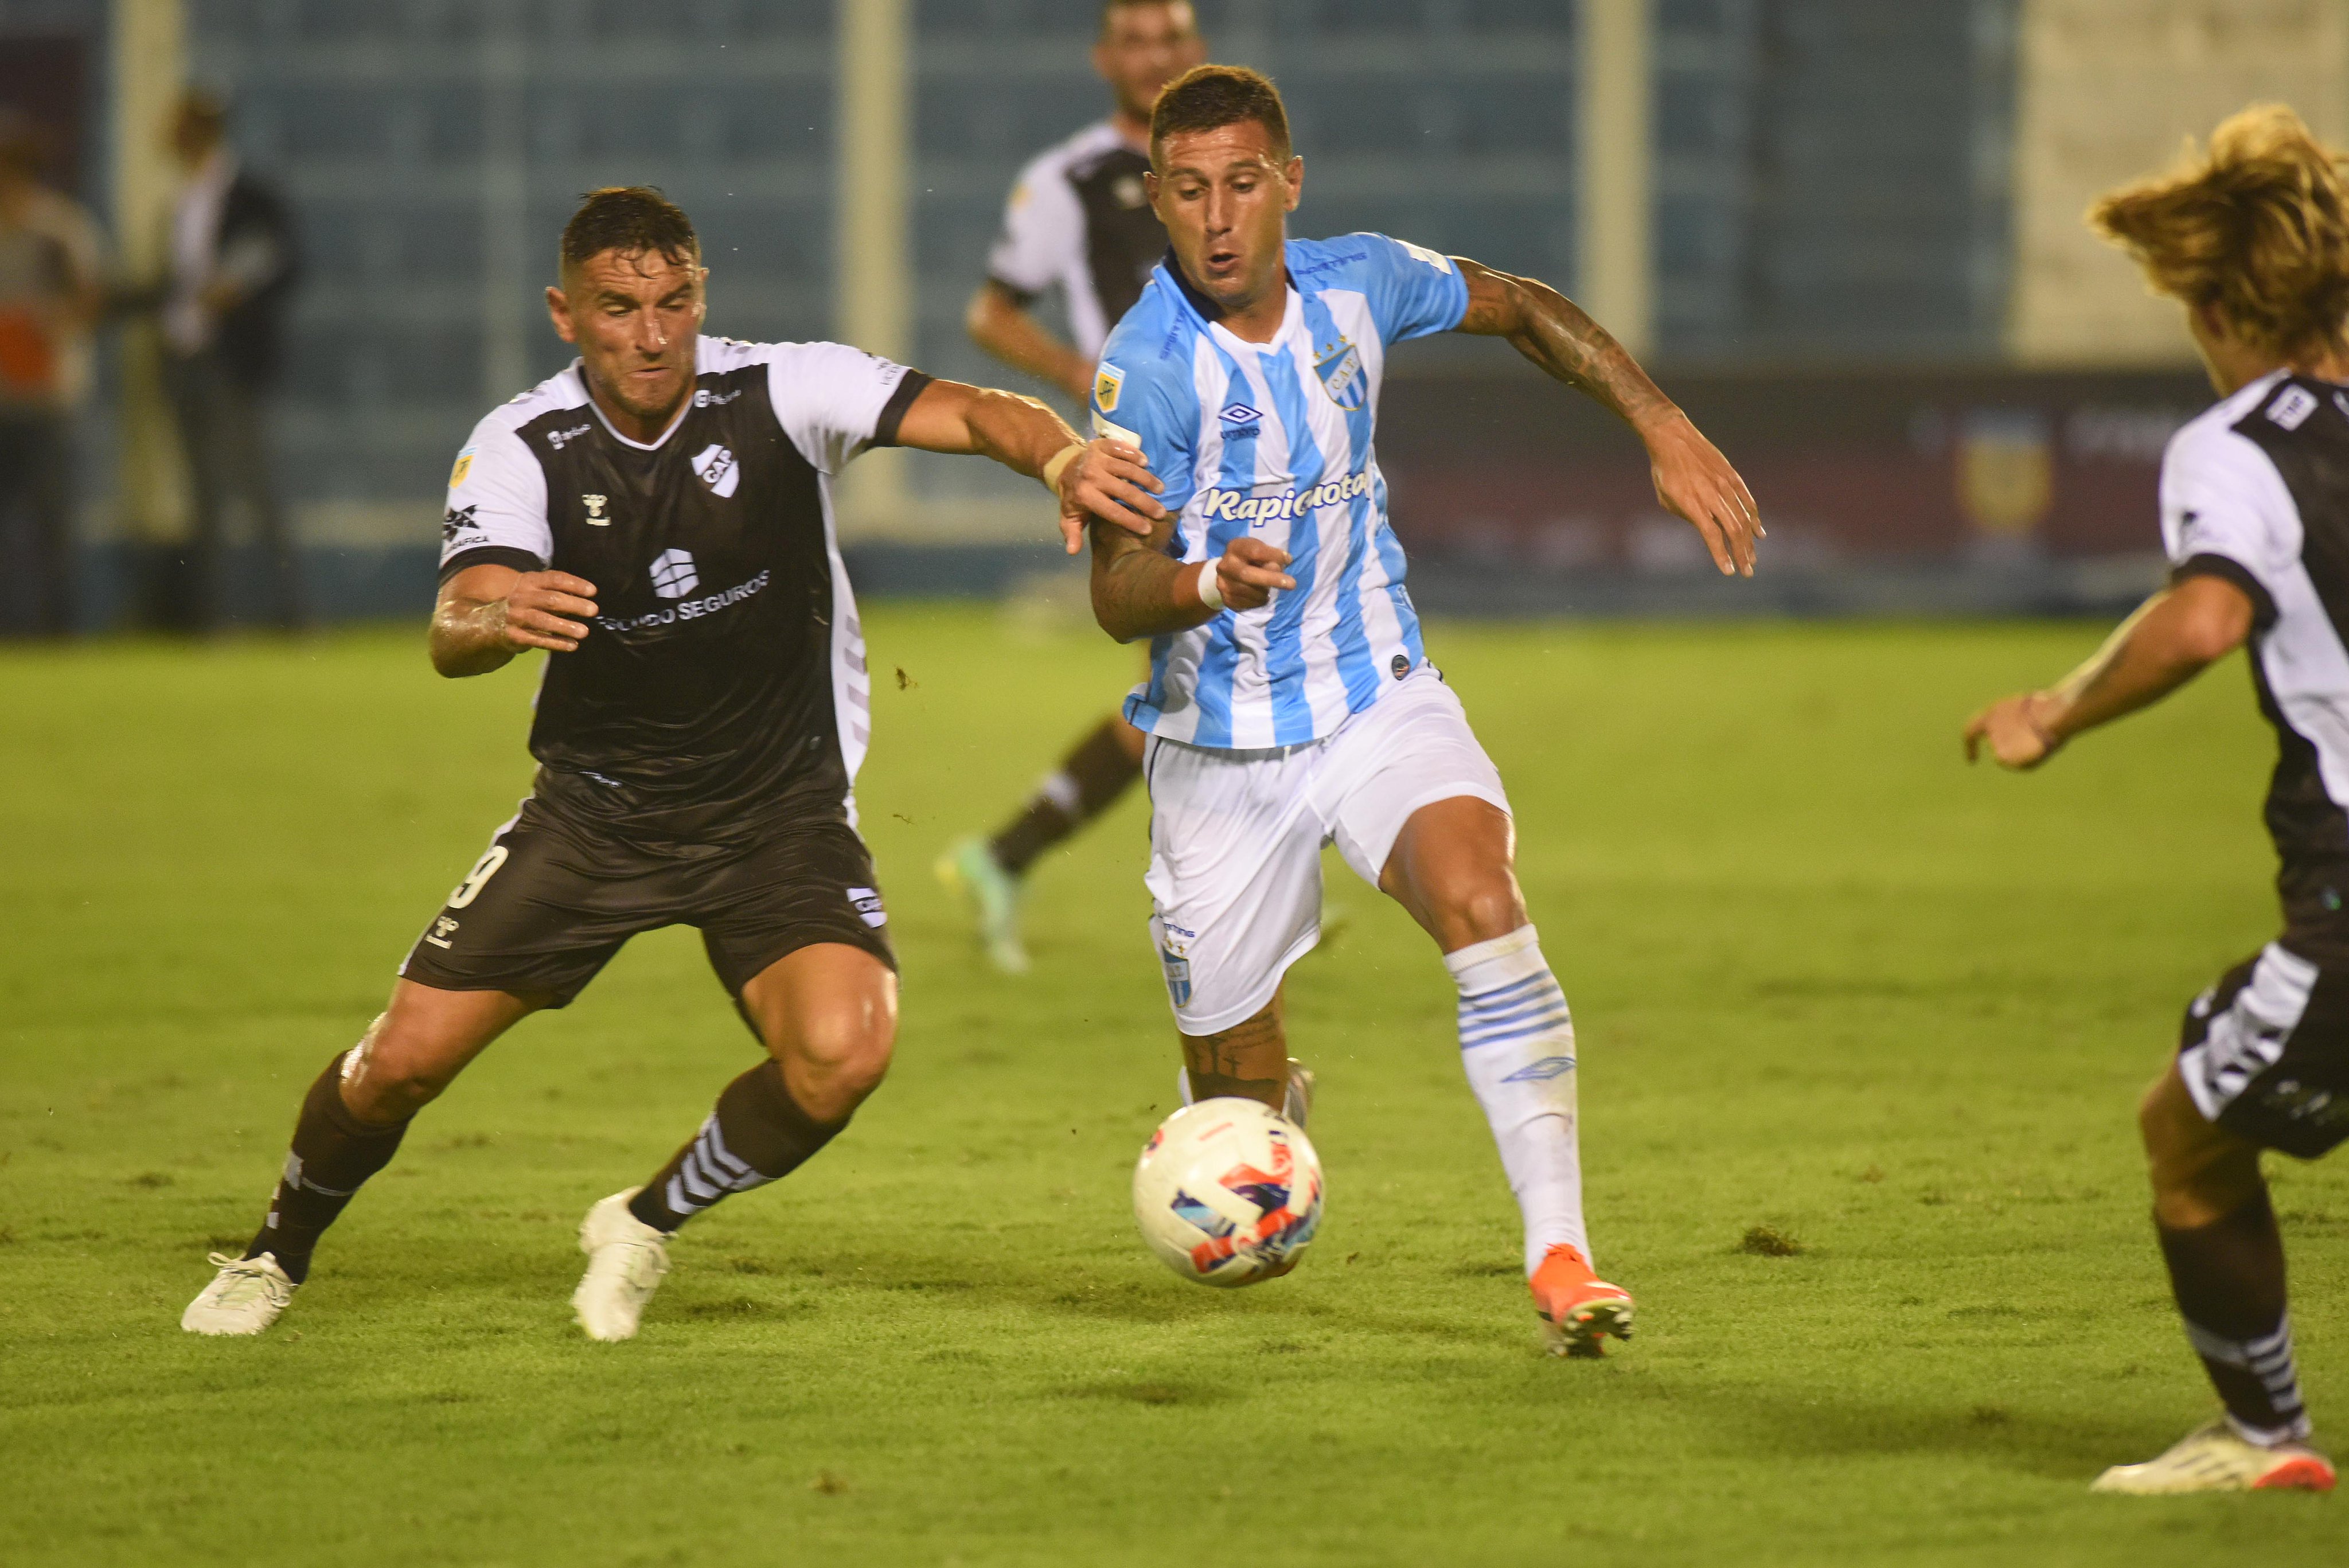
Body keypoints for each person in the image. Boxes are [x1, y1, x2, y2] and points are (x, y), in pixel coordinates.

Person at [180, 186, 1157, 1341]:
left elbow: (974, 408)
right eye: (617, 307)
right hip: (596, 816)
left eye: (672, 301)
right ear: (564, 313)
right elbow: (456, 621)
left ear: (699, 297)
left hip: (776, 813)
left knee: (843, 1053)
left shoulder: (779, 392)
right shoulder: (522, 445)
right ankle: (272, 1254)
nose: (651, 333)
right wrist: (496, 623)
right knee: (399, 1064)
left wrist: (1054, 461)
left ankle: (644, 1218)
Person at [1082, 67, 1761, 1353]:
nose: (1217, 217)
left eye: (1241, 183)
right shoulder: (1146, 370)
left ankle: (1560, 1254)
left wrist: (1656, 422)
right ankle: (1263, 1097)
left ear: (1287, 184)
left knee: (1480, 902)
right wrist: (1201, 579)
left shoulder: (1358, 281)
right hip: (1216, 753)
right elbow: (1115, 595)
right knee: (1239, 1106)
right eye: (1187, 190)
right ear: (1160, 202)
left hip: (1372, 696)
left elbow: (1521, 306)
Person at [1965, 104, 2349, 1495]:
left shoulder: (2233, 446)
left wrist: (2056, 713)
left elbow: (2202, 620)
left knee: (2184, 1131)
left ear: (2203, 299)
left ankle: (2263, 1440)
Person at [935, 0, 1207, 974]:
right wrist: (1086, 376)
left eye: (1169, 38)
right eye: (1135, 41)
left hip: (1246, 446)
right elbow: (990, 314)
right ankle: (1232, 908)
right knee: (1204, 682)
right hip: (1150, 463)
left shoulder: (1222, 164)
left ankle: (1008, 855)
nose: (1153, 56)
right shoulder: (1068, 179)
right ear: (1105, 60)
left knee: (1192, 687)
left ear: (1195, 48)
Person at [158, 89, 301, 631]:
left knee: (255, 490)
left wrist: (238, 290)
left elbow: (285, 261)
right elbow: (175, 285)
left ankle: (290, 615)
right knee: (205, 498)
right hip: (185, 358)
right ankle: (214, 619)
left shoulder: (249, 195)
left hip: (232, 363)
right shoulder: (181, 200)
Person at [0, 110, 102, 636]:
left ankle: (59, 629)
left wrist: (45, 324)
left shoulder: (59, 230)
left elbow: (89, 301)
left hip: (46, 398)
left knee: (51, 521)